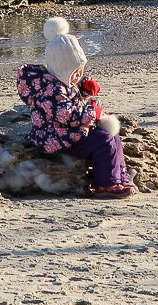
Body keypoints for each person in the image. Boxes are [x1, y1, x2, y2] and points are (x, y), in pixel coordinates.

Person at [15, 17, 133, 198]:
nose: (79, 76)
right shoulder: (51, 90)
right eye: (75, 72)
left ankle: (119, 175)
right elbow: (68, 115)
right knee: (104, 141)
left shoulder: (60, 81)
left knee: (113, 136)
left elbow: (71, 94)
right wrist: (93, 111)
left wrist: (84, 88)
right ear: (62, 68)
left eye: (81, 71)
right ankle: (106, 183)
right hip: (56, 139)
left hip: (68, 132)